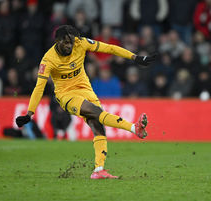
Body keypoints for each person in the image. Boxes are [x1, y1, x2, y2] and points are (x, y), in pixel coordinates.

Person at [15, 25, 156, 179]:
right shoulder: (48, 60)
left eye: (71, 42)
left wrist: (134, 57)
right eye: (66, 43)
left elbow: (109, 48)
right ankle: (134, 128)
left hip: (86, 90)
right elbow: (39, 88)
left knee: (98, 127)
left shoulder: (80, 43)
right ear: (56, 41)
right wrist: (30, 113)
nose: (69, 45)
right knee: (97, 113)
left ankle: (99, 170)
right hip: (67, 96)